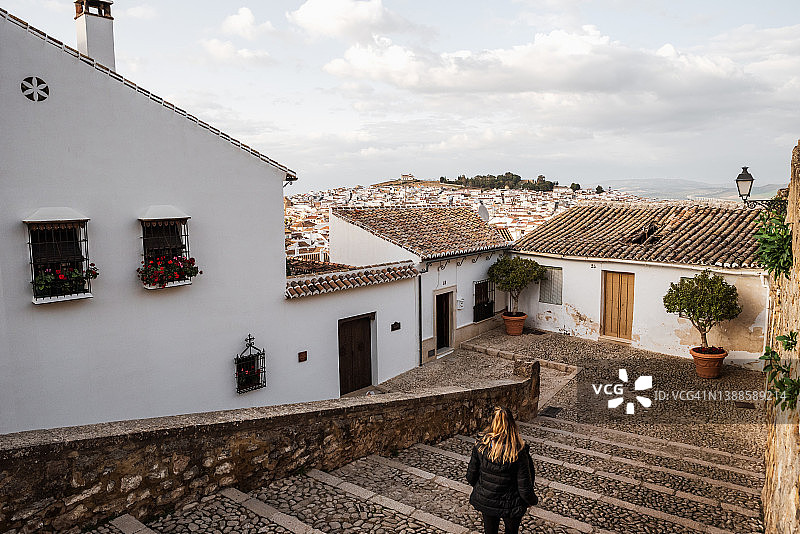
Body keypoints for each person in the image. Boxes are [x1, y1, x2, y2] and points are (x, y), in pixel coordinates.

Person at [466, 406, 537, 534]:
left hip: (488, 500)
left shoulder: (481, 446)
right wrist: (532, 500)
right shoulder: (518, 450)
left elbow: (471, 476)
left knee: (490, 531)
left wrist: (483, 489)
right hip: (511, 503)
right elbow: (524, 485)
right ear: (511, 423)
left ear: (492, 423)